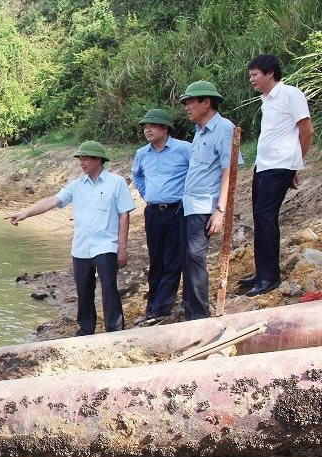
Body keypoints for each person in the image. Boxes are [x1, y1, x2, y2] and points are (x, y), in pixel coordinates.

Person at [6, 141, 136, 335]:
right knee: (83, 291)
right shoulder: (76, 185)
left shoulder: (116, 182)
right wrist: (25, 213)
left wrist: (122, 248)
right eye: (80, 159)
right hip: (81, 247)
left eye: (85, 159)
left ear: (98, 159)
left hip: (106, 245)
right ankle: (85, 331)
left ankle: (115, 331)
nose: (81, 163)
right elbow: (52, 200)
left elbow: (124, 215)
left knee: (109, 289)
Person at [239, 54, 314, 296]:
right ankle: (261, 273)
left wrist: (294, 164)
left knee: (265, 217)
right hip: (263, 165)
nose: (251, 79)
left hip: (280, 165)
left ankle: (270, 278)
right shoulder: (266, 100)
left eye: (255, 74)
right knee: (260, 218)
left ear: (270, 73)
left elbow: (307, 131)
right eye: (250, 75)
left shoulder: (290, 94)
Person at [179, 80, 241, 320]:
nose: (187, 107)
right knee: (188, 259)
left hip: (205, 206)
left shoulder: (224, 128)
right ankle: (190, 312)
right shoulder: (199, 132)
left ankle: (199, 316)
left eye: (190, 102)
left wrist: (220, 210)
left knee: (196, 257)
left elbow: (229, 171)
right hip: (189, 205)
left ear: (206, 103)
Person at [131, 109, 192, 324]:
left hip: (177, 210)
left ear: (165, 128)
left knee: (173, 260)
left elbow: (197, 173)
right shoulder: (142, 154)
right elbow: (137, 175)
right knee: (155, 259)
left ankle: (161, 308)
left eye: (152, 126)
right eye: (145, 126)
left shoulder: (184, 149)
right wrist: (145, 193)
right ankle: (152, 306)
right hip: (153, 212)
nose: (147, 130)